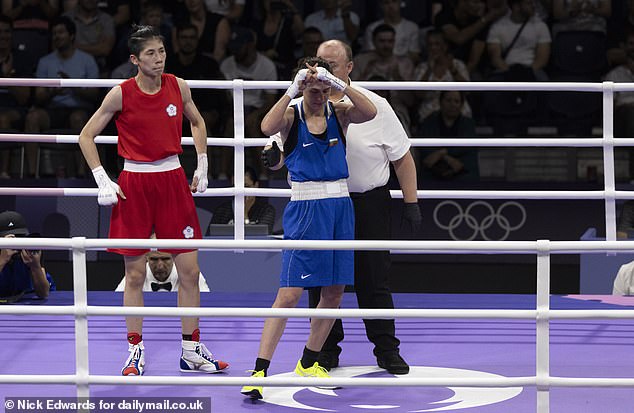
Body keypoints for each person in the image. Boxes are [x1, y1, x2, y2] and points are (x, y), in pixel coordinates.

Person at [77, 24, 228, 376]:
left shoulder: (178, 85)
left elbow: (198, 122)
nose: (158, 59)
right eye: (150, 54)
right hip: (135, 183)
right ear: (135, 59)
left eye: (161, 52)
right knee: (134, 273)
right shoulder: (120, 94)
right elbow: (86, 136)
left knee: (190, 271)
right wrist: (103, 178)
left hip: (173, 179)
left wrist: (202, 163)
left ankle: (191, 350)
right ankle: (134, 350)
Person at [240, 56, 377, 400]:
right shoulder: (292, 114)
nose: (317, 96)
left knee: (334, 292)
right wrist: (292, 90)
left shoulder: (340, 111)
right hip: (305, 208)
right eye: (312, 89)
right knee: (289, 294)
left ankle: (309, 361)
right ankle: (259, 371)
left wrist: (338, 83)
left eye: (322, 90)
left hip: (340, 207)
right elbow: (265, 127)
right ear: (302, 87)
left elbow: (370, 112)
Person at [303, 39, 420, 375]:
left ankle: (386, 350)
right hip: (324, 200)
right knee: (322, 279)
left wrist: (411, 203)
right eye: (320, 64)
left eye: (333, 66)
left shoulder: (375, 106)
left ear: (349, 68)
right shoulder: (304, 104)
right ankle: (324, 350)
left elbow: (402, 159)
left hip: (368, 201)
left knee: (374, 280)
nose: (325, 72)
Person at [417, 90, 479, 182]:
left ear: (461, 105)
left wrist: (442, 153)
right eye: (448, 100)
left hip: (461, 172)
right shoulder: (429, 122)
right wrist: (446, 156)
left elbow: (468, 150)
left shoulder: (468, 124)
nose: (452, 104)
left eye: (456, 101)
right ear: (440, 102)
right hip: (433, 171)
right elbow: (427, 155)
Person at [0, 210, 55, 299]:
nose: (15, 242)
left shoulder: (30, 252)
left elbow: (43, 293)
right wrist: (2, 260)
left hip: (28, 303)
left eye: (20, 236)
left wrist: (35, 266)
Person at [210, 166, 276, 234]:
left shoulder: (267, 210)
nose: (241, 192)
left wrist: (244, 214)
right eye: (235, 187)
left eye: (246, 186)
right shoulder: (222, 210)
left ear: (256, 185)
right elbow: (209, 237)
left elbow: (259, 239)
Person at [115, 250, 210, 292]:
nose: (160, 266)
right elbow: (116, 303)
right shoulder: (136, 274)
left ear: (173, 257)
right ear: (146, 258)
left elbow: (207, 304)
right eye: (154, 259)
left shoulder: (187, 273)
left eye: (165, 259)